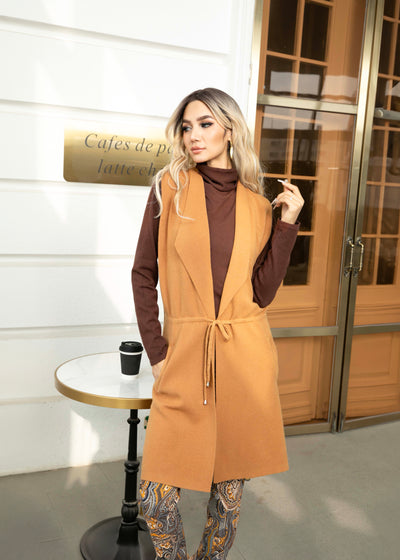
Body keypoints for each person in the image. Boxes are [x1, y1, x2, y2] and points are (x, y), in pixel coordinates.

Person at [131, 87, 304, 560]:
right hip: (184, 353)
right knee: (156, 499)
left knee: (226, 501)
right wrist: (157, 352)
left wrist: (288, 223)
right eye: (187, 126)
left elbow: (262, 292)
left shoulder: (256, 204)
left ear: (230, 130)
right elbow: (143, 273)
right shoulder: (169, 189)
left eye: (205, 124)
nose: (194, 135)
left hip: (243, 357)